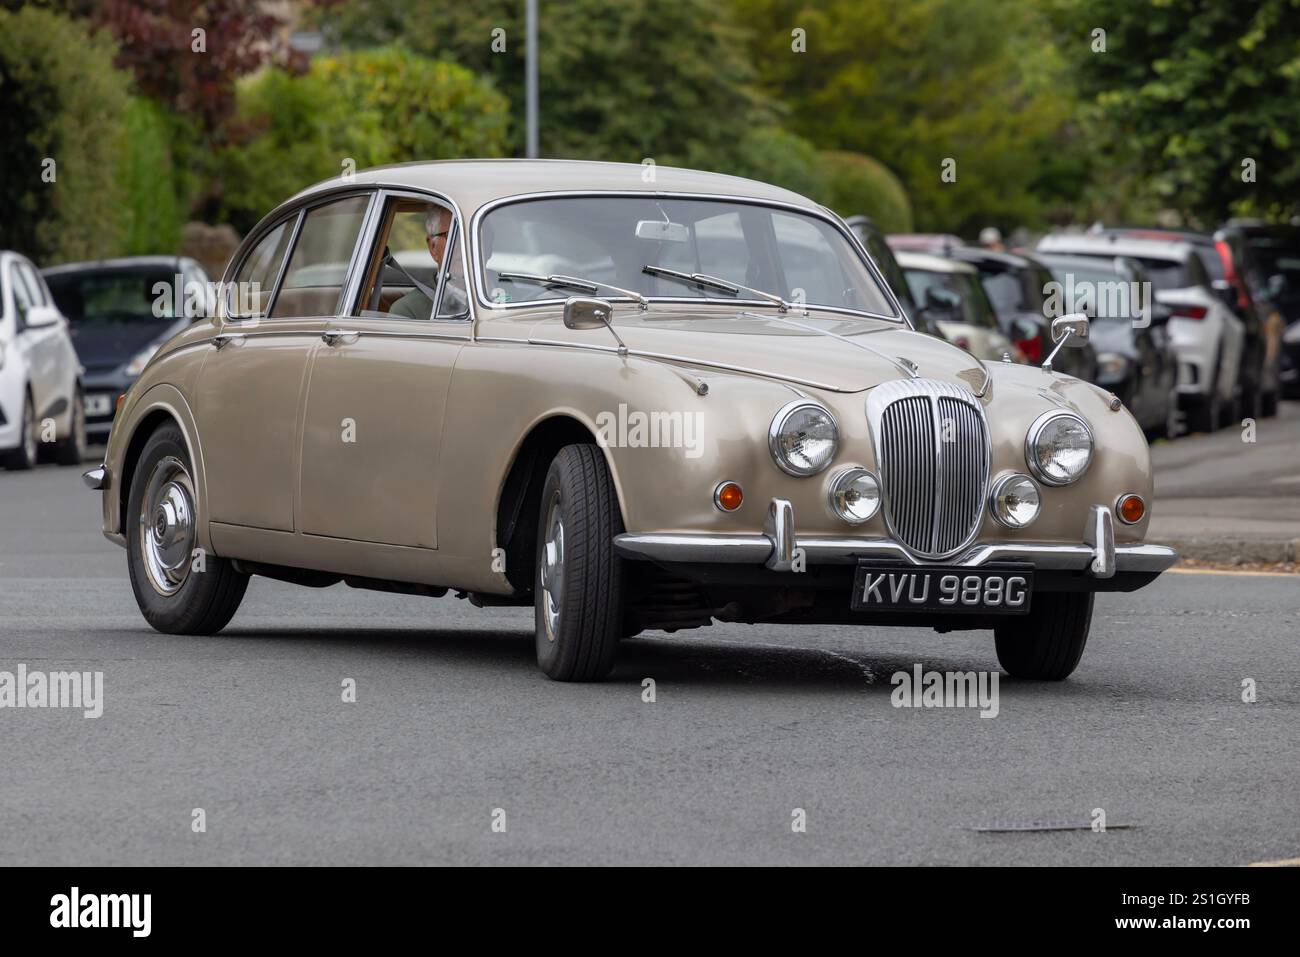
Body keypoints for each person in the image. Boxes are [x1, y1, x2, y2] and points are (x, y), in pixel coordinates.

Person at [390, 207, 461, 320]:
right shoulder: (408, 310)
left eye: (478, 234)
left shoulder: (499, 285)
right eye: (455, 235)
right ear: (433, 248)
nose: (467, 246)